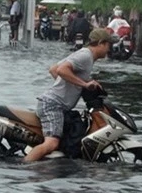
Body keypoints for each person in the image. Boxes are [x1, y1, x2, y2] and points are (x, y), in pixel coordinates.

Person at [24, 29, 116, 162]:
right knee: (52, 143)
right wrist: (84, 85)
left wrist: (70, 84)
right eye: (108, 45)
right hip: (53, 105)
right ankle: (23, 168)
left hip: (58, 105)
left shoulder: (86, 56)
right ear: (101, 43)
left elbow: (54, 69)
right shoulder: (85, 56)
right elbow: (61, 70)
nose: (109, 49)